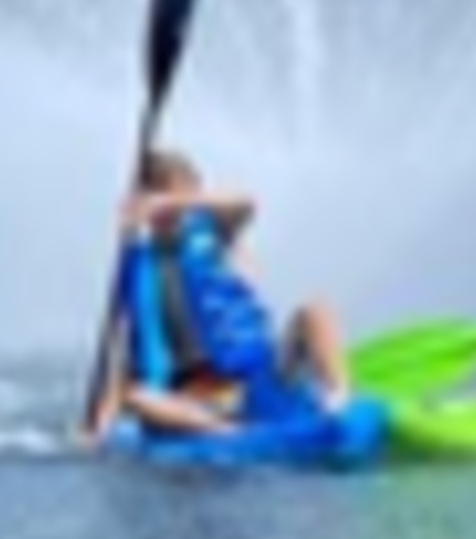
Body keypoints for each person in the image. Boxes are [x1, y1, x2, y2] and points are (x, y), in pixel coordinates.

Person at [96, 150, 352, 439]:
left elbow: (247, 204)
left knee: (316, 309)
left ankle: (339, 400)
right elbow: (124, 357)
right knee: (136, 397)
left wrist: (176, 201)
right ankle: (227, 433)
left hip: (263, 373)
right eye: (156, 194)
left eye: (178, 197)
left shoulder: (218, 233)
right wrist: (100, 426)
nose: (168, 207)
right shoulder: (138, 265)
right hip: (197, 401)